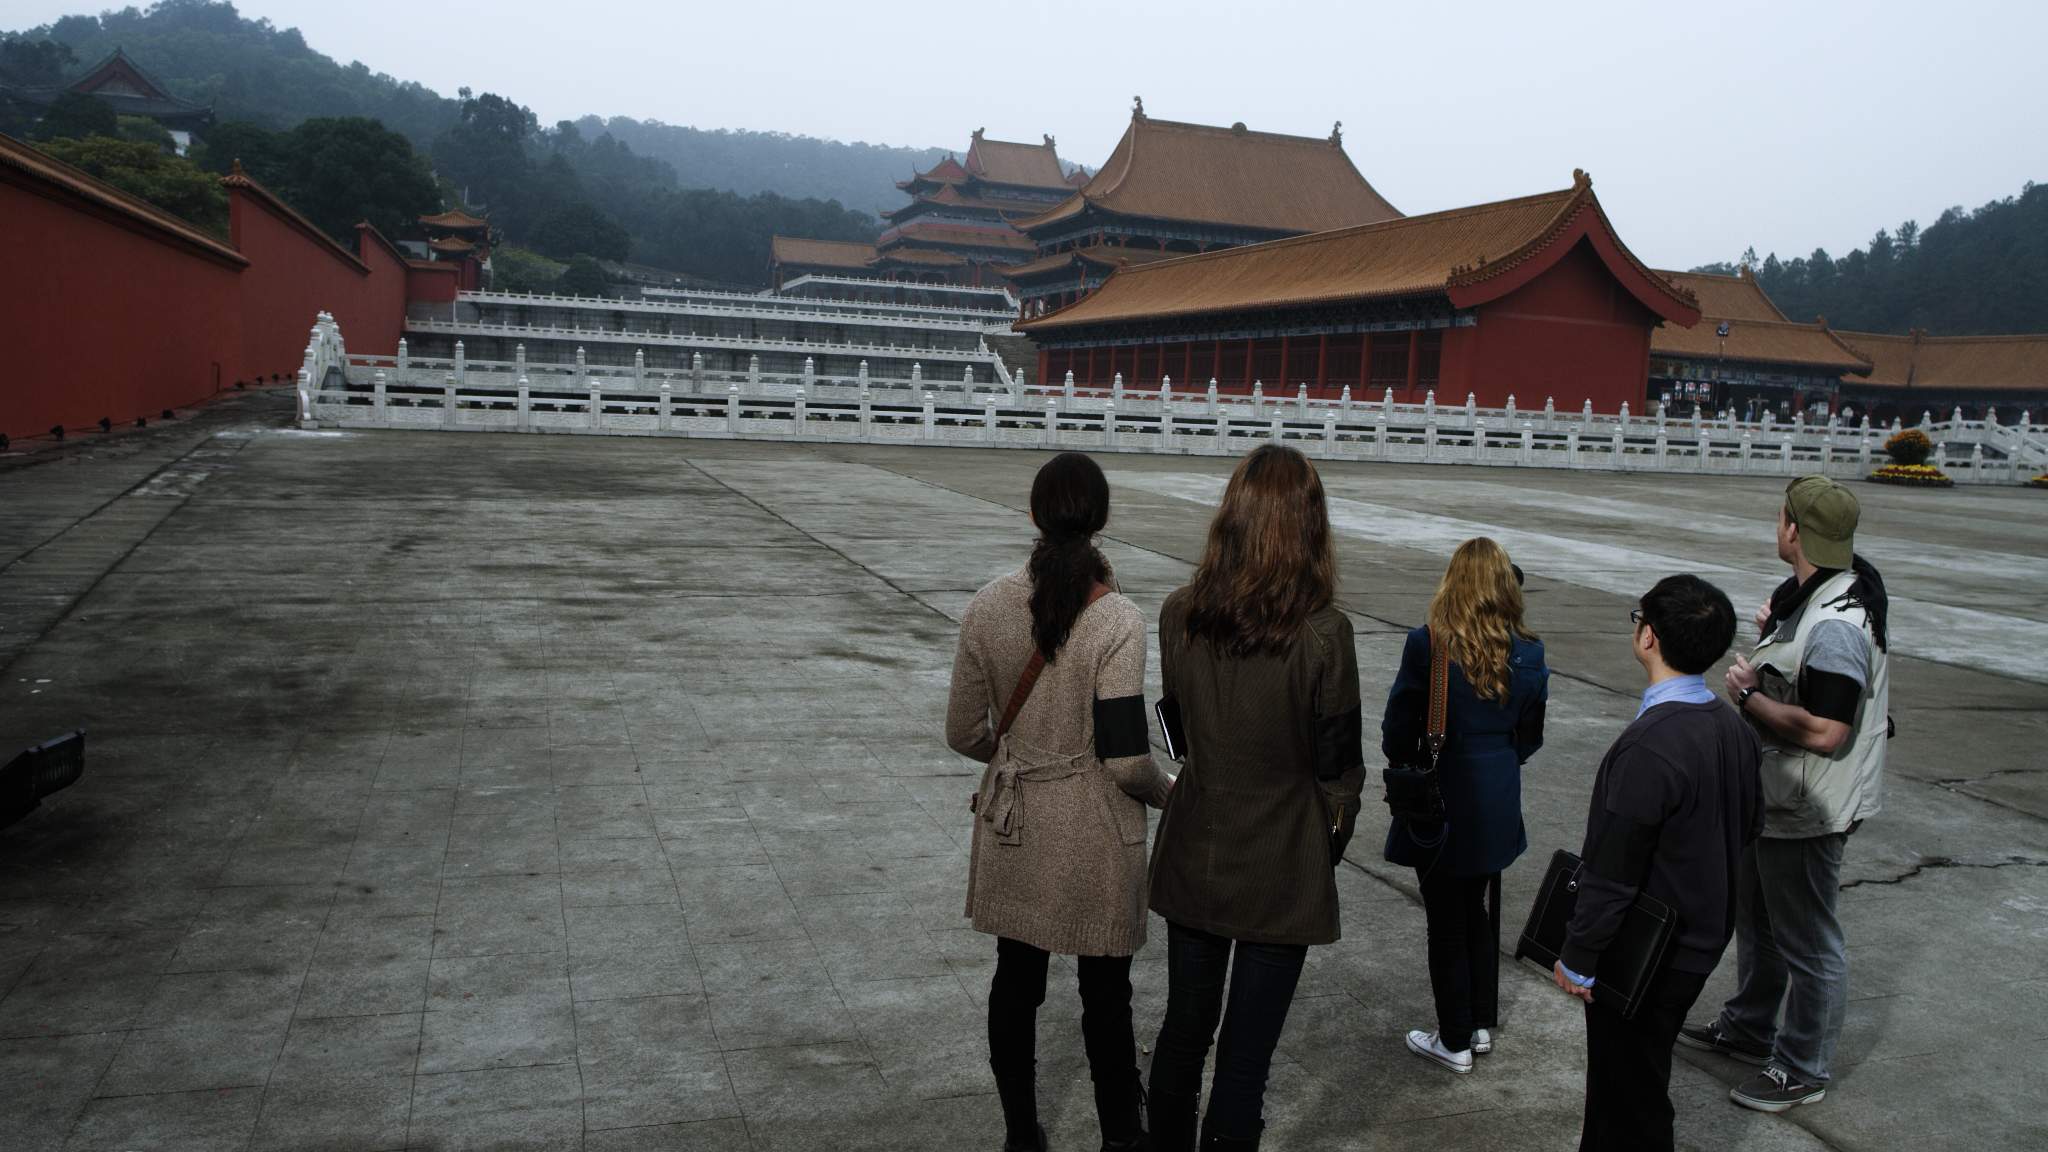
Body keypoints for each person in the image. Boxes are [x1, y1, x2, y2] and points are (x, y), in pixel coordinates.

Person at [947, 451, 1174, 1152]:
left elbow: (963, 732)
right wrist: (1171, 794)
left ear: (1035, 516)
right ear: (1101, 521)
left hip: (1016, 825)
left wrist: (1019, 762)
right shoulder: (1119, 620)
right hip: (1093, 833)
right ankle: (1119, 1137)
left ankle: (1022, 1133)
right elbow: (1128, 758)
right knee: (1105, 995)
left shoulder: (987, 604)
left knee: (1016, 983)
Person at [1146, 444, 1365, 1152]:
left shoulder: (1180, 614)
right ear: (1309, 525)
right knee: (1246, 1055)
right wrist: (1327, 839)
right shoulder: (1326, 633)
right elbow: (1340, 766)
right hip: (1283, 852)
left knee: (1184, 1028)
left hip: (1199, 839)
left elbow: (1177, 726)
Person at [1679, 475, 1890, 1113]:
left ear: (1794, 530)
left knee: (1807, 938)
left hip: (1809, 803)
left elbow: (1827, 730)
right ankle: (1749, 1026)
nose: (1778, 526)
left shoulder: (1833, 625)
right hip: (1778, 795)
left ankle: (1802, 1066)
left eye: (1782, 517)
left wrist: (1749, 696)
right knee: (1760, 919)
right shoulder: (1822, 593)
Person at [1552, 575, 1763, 1151]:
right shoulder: (1732, 728)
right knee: (1633, 1084)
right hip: (1699, 941)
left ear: (1648, 637)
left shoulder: (1650, 747)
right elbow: (1751, 826)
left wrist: (1579, 955)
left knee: (1628, 1097)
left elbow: (1612, 871)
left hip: (1647, 954)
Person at [1383, 537, 1548, 1074]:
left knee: (1447, 923)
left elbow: (1397, 730)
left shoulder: (1429, 642)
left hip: (1446, 799)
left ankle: (1452, 1038)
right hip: (1498, 794)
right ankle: (1476, 1022)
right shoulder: (1528, 650)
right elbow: (1531, 736)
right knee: (1473, 910)